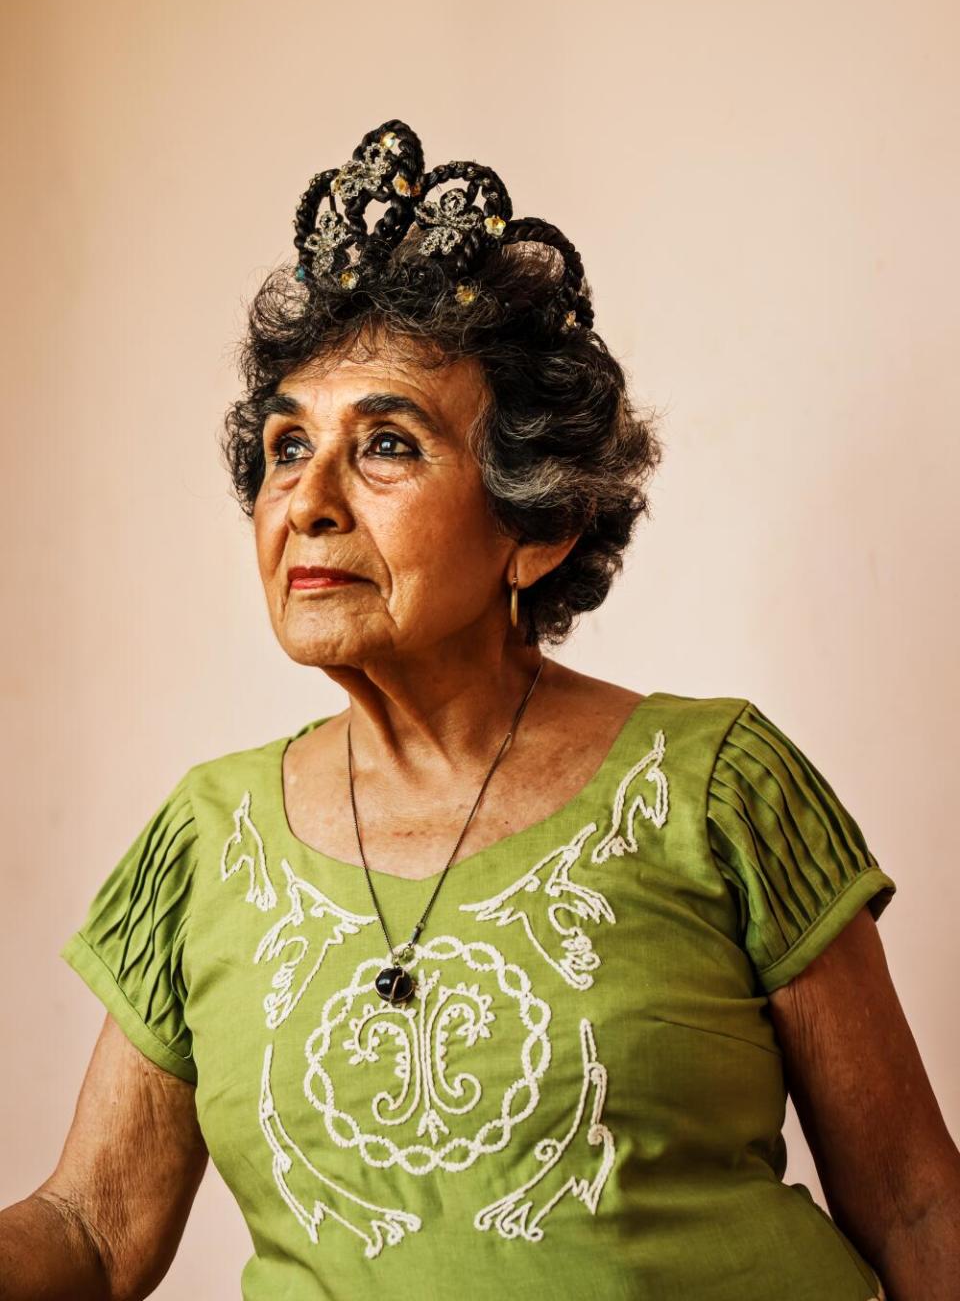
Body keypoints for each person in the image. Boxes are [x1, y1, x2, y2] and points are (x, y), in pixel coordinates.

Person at [3, 119, 957, 1301]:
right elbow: (93, 1231)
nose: (306, 500)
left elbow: (919, 1207)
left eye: (387, 444)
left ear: (537, 525)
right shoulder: (206, 840)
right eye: (286, 445)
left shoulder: (714, 784)